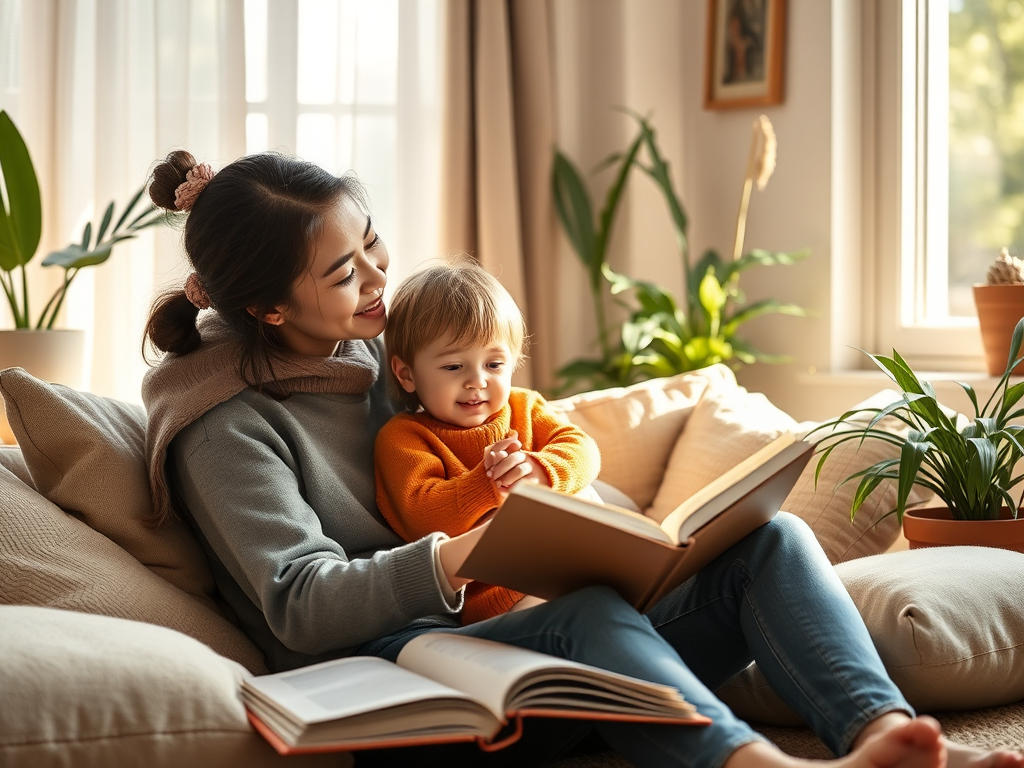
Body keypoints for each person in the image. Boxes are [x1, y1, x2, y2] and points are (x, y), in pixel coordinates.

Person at [140, 148, 1023, 768]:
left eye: (372, 241)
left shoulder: (377, 352)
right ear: (265, 309)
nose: (379, 280)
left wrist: (583, 516)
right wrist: (461, 552)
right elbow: (296, 604)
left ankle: (885, 739)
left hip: (513, 632)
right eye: (345, 273)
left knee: (772, 543)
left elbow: (517, 424)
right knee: (594, 620)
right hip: (408, 687)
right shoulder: (224, 424)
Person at [374, 257, 599, 624]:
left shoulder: (523, 406)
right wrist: (488, 483)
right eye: (453, 366)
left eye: (494, 365)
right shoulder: (404, 438)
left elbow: (582, 448)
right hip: (507, 596)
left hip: (580, 562)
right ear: (406, 373)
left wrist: (541, 470)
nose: (477, 381)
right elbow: (422, 516)